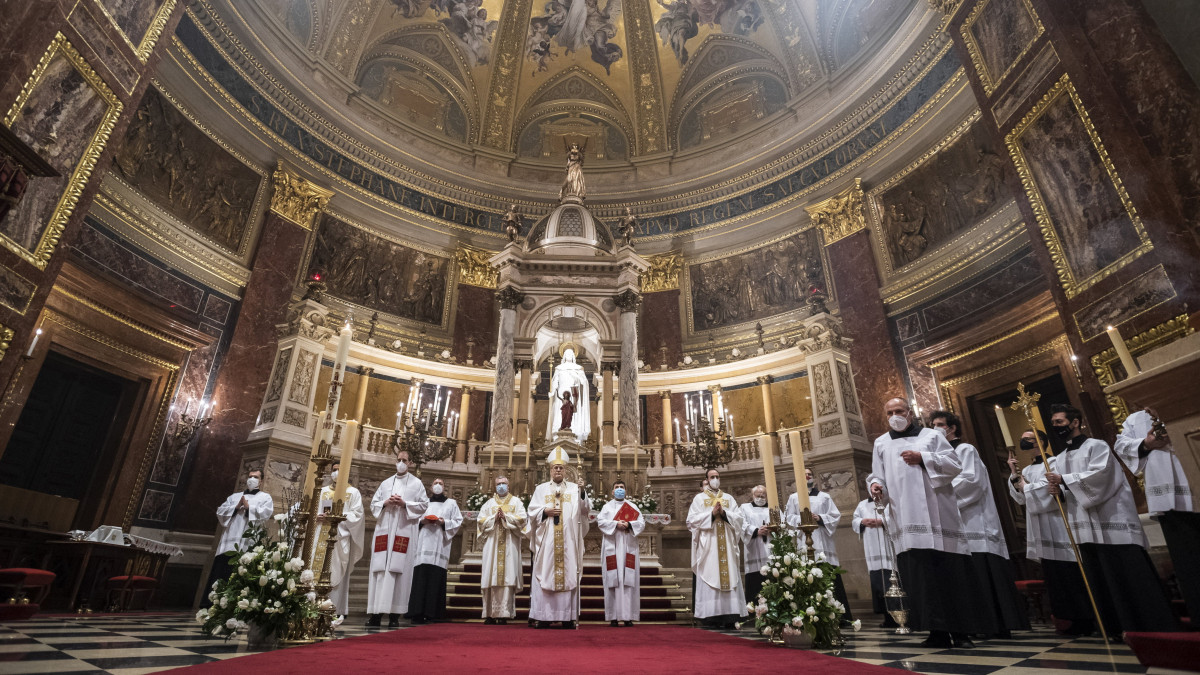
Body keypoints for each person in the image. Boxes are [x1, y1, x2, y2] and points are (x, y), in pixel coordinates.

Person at [1044, 404, 1176, 635]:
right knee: (1101, 581)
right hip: (1086, 528)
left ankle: (1150, 625)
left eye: (1059, 422)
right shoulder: (1060, 457)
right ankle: (1114, 628)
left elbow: (1102, 476)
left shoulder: (1097, 446)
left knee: (1126, 577)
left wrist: (1064, 479)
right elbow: (1068, 491)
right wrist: (1060, 491)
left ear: (1075, 422)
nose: (1056, 427)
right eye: (1053, 423)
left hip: (1111, 522)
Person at [869, 397, 985, 648]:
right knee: (922, 580)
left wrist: (923, 457)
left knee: (951, 575)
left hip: (939, 516)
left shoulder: (932, 436)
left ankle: (962, 632)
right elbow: (878, 475)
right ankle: (937, 632)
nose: (894, 415)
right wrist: (876, 486)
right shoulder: (881, 443)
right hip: (907, 520)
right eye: (889, 412)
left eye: (899, 411)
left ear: (910, 413)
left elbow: (954, 465)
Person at [929, 410, 1027, 638]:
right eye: (932, 424)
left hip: (974, 521)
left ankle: (994, 624)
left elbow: (971, 481)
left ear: (952, 428)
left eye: (940, 424)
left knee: (983, 574)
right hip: (955, 523)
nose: (935, 428)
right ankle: (976, 623)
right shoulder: (938, 455)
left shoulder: (965, 450)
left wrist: (940, 496)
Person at [1114, 409, 1200, 622]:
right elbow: (1121, 446)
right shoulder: (1135, 419)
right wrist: (1146, 443)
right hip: (1167, 502)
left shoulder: (1185, 404)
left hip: (1192, 480)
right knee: (1186, 561)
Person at [1008, 429, 1094, 635]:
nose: (1023, 442)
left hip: (1059, 525)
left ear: (1041, 441)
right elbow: (1021, 498)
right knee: (1054, 576)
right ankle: (1065, 620)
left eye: (1027, 439)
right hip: (1041, 528)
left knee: (1071, 574)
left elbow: (1052, 490)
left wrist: (1026, 487)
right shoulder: (1026, 470)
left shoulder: (1055, 463)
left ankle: (1086, 619)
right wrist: (1014, 476)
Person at [366, 451, 429, 628]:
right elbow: (374, 504)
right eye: (399, 460)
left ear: (410, 463)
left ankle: (394, 615)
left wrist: (405, 504)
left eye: (404, 460)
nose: (401, 463)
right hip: (384, 531)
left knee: (400, 573)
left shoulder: (417, 484)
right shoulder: (385, 483)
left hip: (404, 531)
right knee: (380, 571)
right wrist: (386, 502)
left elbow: (424, 505)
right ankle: (375, 614)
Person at [528, 448, 590, 628]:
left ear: (565, 470)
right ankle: (543, 617)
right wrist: (544, 511)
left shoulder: (573, 488)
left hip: (568, 540)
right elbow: (531, 512)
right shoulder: (540, 489)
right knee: (545, 574)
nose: (557, 471)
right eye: (555, 468)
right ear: (549, 470)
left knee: (568, 573)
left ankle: (567, 617)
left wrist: (583, 491)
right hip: (547, 541)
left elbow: (585, 510)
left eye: (561, 468)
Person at [785, 468, 853, 624]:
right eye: (803, 475)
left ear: (813, 478)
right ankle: (811, 616)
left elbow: (835, 515)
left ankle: (838, 616)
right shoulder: (794, 498)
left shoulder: (824, 496)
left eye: (809, 474)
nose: (807, 476)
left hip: (823, 540)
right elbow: (789, 517)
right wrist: (803, 519)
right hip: (804, 540)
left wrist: (820, 517)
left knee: (829, 577)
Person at [688, 467, 746, 629]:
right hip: (709, 546)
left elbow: (739, 519)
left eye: (717, 476)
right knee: (710, 575)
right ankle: (710, 617)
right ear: (707, 478)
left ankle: (730, 616)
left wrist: (725, 513)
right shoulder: (699, 499)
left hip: (727, 544)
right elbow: (691, 521)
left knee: (730, 576)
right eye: (712, 476)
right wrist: (711, 515)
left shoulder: (729, 498)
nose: (715, 479)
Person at [207, 469, 274, 598]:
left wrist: (249, 508)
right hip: (229, 542)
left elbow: (266, 513)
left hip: (247, 543)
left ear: (261, 481)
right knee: (222, 571)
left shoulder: (265, 497)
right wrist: (236, 507)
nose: (251, 479)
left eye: (255, 477)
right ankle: (213, 601)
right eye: (250, 477)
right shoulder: (234, 497)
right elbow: (220, 512)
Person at [407, 477, 463, 624]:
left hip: (440, 545)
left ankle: (433, 613)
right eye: (435, 483)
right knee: (420, 578)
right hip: (422, 545)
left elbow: (457, 521)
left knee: (435, 578)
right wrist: (422, 521)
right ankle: (417, 612)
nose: (438, 486)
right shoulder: (423, 503)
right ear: (431, 487)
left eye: (441, 483)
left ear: (445, 487)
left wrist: (443, 522)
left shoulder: (451, 503)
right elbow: (413, 519)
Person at [314, 461, 365, 616]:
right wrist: (317, 517)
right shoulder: (322, 491)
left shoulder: (353, 493)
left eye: (339, 470)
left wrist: (338, 517)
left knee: (335, 572)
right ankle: (312, 609)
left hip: (339, 538)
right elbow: (313, 511)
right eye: (334, 470)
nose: (336, 473)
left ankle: (332, 609)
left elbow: (357, 516)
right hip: (319, 536)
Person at [478, 475, 529, 624]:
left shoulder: (516, 502)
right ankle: (489, 613)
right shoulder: (488, 504)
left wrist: (506, 518)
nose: (501, 486)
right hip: (492, 545)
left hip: (509, 544)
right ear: (495, 486)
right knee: (490, 576)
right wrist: (493, 519)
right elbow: (480, 521)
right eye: (499, 484)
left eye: (504, 483)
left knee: (507, 577)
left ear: (509, 486)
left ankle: (504, 613)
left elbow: (522, 519)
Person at [597, 480, 644, 626]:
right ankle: (613, 617)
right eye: (616, 487)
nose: (619, 490)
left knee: (629, 580)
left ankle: (629, 617)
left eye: (621, 487)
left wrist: (629, 524)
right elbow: (600, 522)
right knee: (613, 580)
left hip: (628, 546)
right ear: (612, 492)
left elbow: (641, 523)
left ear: (626, 491)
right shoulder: (607, 507)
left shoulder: (632, 506)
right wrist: (615, 524)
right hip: (612, 545)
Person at [852, 481, 897, 628]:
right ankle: (886, 617)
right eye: (873, 488)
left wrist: (881, 522)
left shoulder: (890, 502)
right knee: (878, 583)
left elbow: (896, 518)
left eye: (878, 488)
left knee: (892, 582)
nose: (875, 491)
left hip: (888, 548)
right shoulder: (862, 504)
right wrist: (862, 521)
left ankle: (898, 616)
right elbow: (855, 520)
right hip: (872, 550)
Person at [738, 485, 772, 604]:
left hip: (769, 549)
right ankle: (752, 611)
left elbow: (781, 523)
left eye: (763, 496)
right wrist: (756, 531)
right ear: (753, 496)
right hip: (753, 552)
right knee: (754, 583)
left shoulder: (772, 508)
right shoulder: (745, 508)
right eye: (758, 496)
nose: (760, 498)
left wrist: (771, 528)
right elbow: (741, 524)